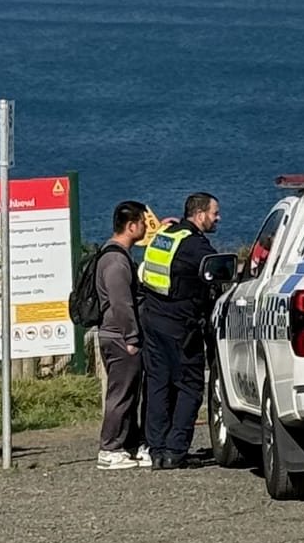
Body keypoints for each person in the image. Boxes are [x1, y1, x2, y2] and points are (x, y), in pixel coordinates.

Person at [138, 191, 221, 470]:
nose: (217, 218)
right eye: (214, 213)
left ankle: (157, 448)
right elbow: (217, 268)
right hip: (181, 322)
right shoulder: (194, 246)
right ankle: (175, 450)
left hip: (152, 316)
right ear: (199, 215)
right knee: (190, 385)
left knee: (158, 383)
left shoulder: (165, 236)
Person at [94, 200, 151, 471]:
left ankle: (126, 443)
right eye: (142, 222)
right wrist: (131, 337)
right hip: (118, 336)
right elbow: (121, 303)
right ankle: (109, 447)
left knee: (128, 391)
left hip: (115, 333)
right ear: (131, 226)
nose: (145, 227)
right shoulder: (117, 261)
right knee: (121, 393)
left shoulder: (110, 254)